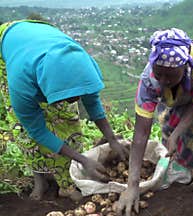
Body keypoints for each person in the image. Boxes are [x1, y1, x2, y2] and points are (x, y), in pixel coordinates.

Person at [0, 20, 129, 201]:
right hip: (8, 45)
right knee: (24, 130)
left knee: (67, 118)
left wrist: (112, 139)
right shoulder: (20, 82)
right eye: (69, 96)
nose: (75, 100)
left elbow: (92, 103)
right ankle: (40, 179)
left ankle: (66, 179)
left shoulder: (78, 64)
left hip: (41, 39)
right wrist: (84, 160)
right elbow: (37, 130)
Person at [115, 28, 193, 216]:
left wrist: (178, 133)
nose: (163, 80)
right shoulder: (149, 81)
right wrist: (132, 186)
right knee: (168, 124)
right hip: (172, 97)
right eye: (159, 73)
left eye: (170, 76)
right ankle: (174, 168)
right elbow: (141, 134)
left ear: (183, 67)